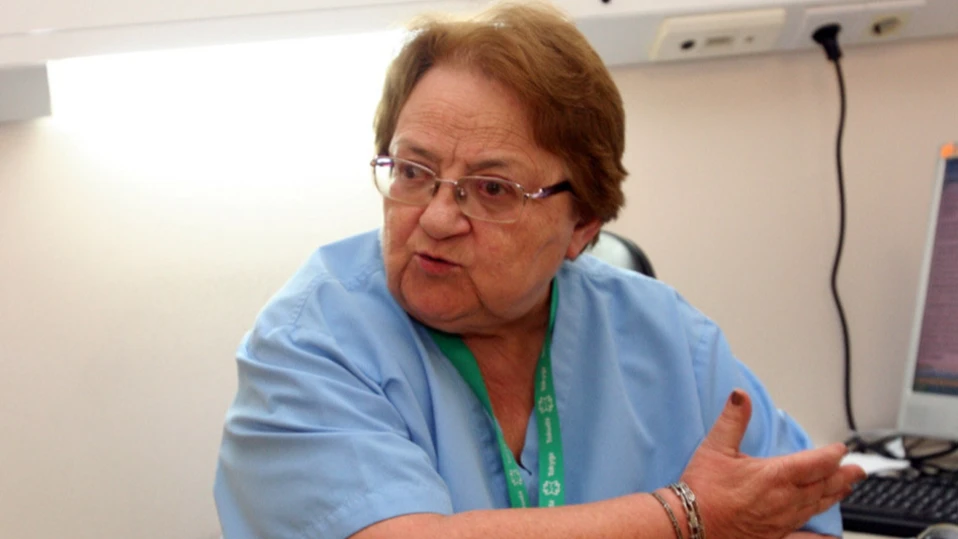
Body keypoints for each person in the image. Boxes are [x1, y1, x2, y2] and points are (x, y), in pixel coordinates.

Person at [213, 3, 865, 538]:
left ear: (582, 225)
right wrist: (686, 516)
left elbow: (794, 512)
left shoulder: (666, 336)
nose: (436, 217)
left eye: (492, 189)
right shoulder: (310, 343)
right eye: (413, 172)